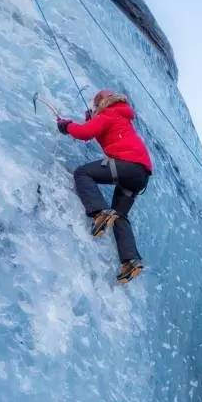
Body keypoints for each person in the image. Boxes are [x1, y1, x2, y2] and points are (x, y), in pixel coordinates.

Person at [56, 90, 152, 283]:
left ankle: (99, 213)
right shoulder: (121, 116)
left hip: (128, 166)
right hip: (140, 175)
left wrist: (66, 126)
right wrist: (91, 120)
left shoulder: (109, 114)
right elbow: (100, 133)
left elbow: (84, 133)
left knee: (82, 173)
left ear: (102, 102)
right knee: (119, 216)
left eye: (95, 104)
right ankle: (130, 261)